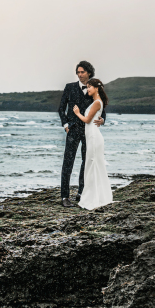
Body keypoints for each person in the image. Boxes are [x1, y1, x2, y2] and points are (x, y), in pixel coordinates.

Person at [58, 61, 106, 208]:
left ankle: (81, 193)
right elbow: (61, 108)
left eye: (82, 72)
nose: (79, 75)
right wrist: (66, 125)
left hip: (88, 131)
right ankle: (65, 196)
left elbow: (101, 106)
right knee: (68, 162)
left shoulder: (94, 89)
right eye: (78, 72)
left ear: (89, 73)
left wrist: (103, 119)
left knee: (87, 162)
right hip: (73, 130)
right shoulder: (70, 87)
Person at [72, 78, 112, 210]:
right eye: (87, 86)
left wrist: (77, 113)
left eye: (89, 87)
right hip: (92, 137)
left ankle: (94, 198)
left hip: (94, 137)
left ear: (96, 88)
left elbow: (87, 120)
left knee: (92, 165)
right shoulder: (96, 102)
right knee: (92, 165)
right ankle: (96, 195)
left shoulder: (96, 103)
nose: (87, 89)